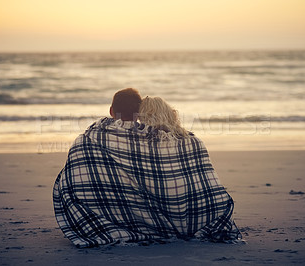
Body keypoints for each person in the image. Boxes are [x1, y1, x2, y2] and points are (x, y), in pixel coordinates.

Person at [53, 88, 241, 248]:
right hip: (194, 219)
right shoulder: (190, 142)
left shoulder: (91, 138)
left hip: (115, 215)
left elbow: (74, 180)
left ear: (111, 111)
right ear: (139, 113)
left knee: (67, 180)